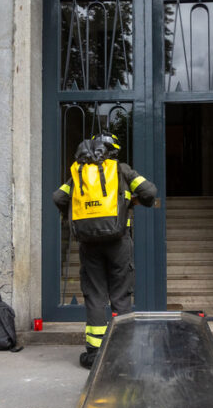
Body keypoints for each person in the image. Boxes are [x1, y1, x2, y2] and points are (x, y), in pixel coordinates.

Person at [53, 133, 157, 368]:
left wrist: (75, 214)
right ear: (112, 151)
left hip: (89, 244)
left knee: (95, 295)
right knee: (120, 295)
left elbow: (58, 197)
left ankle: (94, 352)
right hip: (119, 242)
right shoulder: (121, 170)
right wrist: (134, 202)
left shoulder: (78, 174)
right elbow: (150, 192)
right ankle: (122, 349)